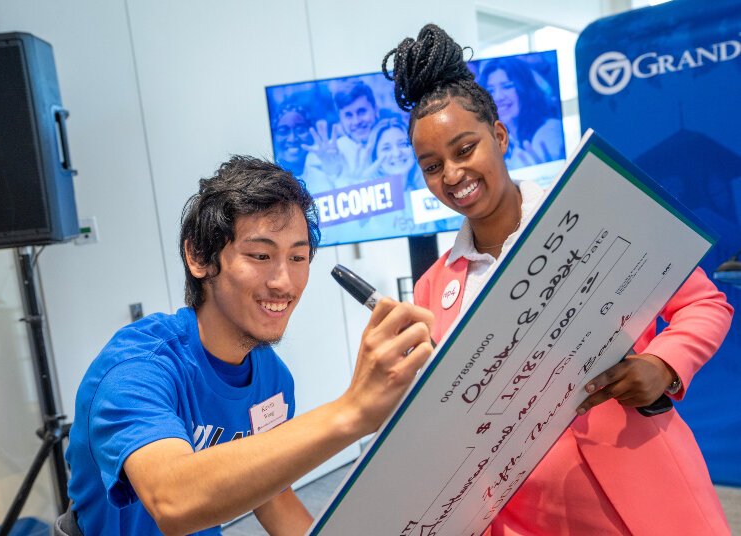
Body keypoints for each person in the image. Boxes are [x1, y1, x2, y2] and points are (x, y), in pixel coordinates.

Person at [383, 23, 734, 535]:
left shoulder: (593, 211)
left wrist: (663, 363)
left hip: (645, 480)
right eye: (432, 165)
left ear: (499, 136)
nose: (453, 175)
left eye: (464, 150)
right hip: (527, 516)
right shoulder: (433, 288)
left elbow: (705, 303)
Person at [65, 155, 434, 535]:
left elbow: (272, 496)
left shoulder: (272, 378)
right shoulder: (136, 368)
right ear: (198, 257)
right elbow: (172, 500)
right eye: (261, 255)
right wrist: (352, 411)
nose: (284, 282)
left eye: (298, 257)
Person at [479, 57, 565, 169]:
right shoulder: (505, 141)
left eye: (507, 86)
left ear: (525, 89)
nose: (498, 97)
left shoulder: (550, 131)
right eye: (491, 91)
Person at [302, 80, 380, 191]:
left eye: (361, 112)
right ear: (341, 119)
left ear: (376, 110)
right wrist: (333, 173)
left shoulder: (396, 143)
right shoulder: (319, 156)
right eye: (348, 115)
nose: (356, 121)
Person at [271, 103, 314, 177]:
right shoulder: (268, 181)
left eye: (300, 130)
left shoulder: (325, 175)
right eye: (283, 131)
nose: (292, 139)